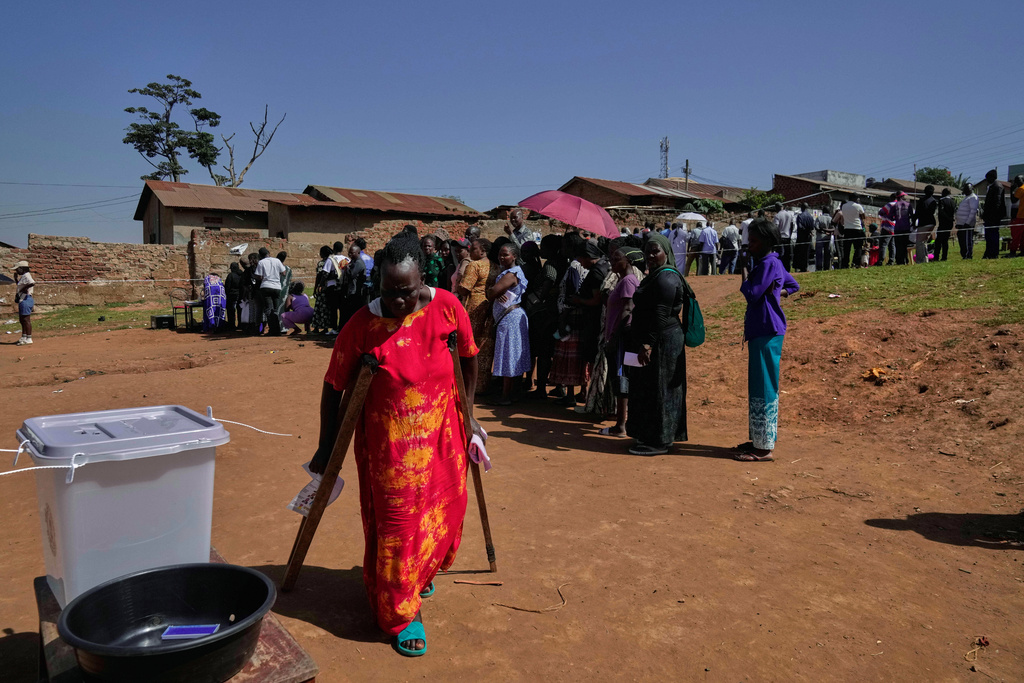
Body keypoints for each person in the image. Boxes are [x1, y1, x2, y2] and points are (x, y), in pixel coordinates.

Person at [311, 233, 480, 658]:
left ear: (422, 278)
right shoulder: (362, 325)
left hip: (443, 431)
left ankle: (417, 572)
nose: (397, 302)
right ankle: (402, 612)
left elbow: (470, 358)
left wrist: (470, 413)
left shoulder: (447, 307)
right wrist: (324, 445)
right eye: (388, 292)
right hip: (391, 448)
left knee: (448, 510)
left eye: (405, 292)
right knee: (398, 528)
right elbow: (333, 388)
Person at [734, 217, 800, 462]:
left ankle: (764, 448)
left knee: (765, 386)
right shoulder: (773, 263)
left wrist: (743, 270)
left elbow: (751, 294)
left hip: (766, 330)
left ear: (765, 242)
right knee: (759, 386)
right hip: (764, 330)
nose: (748, 245)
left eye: (753, 241)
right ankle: (759, 439)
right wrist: (776, 292)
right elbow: (793, 286)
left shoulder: (766, 265)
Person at [625, 233, 691, 456]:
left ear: (666, 252)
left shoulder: (666, 278)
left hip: (662, 341)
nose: (651, 255)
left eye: (656, 251)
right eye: (648, 251)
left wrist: (648, 343)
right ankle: (653, 435)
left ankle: (659, 441)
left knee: (660, 389)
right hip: (657, 340)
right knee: (652, 388)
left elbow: (661, 314)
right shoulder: (656, 275)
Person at [598, 247, 641, 436]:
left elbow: (627, 310)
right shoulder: (624, 280)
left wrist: (614, 338)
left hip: (622, 338)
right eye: (611, 259)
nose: (612, 262)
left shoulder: (628, 282)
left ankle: (621, 425)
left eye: (617, 259)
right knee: (621, 378)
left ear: (628, 261)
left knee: (621, 378)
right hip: (620, 336)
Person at [549, 232, 590, 406]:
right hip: (580, 315)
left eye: (565, 245)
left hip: (570, 315)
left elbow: (572, 293)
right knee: (579, 353)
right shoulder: (581, 264)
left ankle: (570, 394)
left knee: (569, 354)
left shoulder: (574, 265)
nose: (562, 249)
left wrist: (564, 314)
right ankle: (582, 391)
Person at [487, 242, 530, 405]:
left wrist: (493, 292)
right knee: (512, 354)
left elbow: (492, 293)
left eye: (506, 255)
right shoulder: (513, 272)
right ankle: (513, 393)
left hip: (510, 318)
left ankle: (506, 396)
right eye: (500, 254)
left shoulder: (511, 274)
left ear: (515, 256)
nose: (502, 257)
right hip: (512, 317)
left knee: (508, 356)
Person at [526, 235, 562, 399]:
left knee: (543, 351)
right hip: (552, 312)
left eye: (545, 247)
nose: (541, 250)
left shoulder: (550, 265)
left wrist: (534, 299)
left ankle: (540, 388)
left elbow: (549, 280)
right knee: (547, 351)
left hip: (545, 314)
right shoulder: (561, 262)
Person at [458, 238, 494, 393]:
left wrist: (459, 284)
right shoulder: (495, 266)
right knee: (484, 345)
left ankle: (468, 386)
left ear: (483, 251)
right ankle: (482, 384)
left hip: (474, 307)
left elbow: (464, 289)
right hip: (489, 306)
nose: (471, 252)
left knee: (469, 345)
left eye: (473, 249)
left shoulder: (474, 265)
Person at [255, 247, 287, 336]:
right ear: (269, 253)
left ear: (260, 256)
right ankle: (277, 329)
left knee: (269, 309)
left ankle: (273, 330)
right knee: (275, 309)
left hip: (266, 286)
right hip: (277, 287)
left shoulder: (261, 262)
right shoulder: (277, 261)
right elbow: (284, 272)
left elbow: (259, 276)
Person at [339, 244, 367, 330]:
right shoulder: (353, 262)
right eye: (349, 253)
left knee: (353, 312)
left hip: (355, 292)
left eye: (352, 253)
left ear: (358, 253)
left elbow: (352, 274)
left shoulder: (358, 263)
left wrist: (347, 268)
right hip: (350, 290)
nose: (350, 255)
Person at [981, 169, 1006, 259]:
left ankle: (993, 253)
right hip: (989, 215)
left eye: (988, 178)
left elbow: (997, 202)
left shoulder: (997, 186)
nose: (987, 180)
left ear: (992, 177)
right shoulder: (992, 186)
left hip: (994, 216)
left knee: (993, 235)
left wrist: (993, 215)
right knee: (988, 235)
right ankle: (988, 252)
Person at [839, 195, 866, 269]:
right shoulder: (858, 206)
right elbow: (863, 217)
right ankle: (856, 263)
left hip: (847, 229)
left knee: (846, 248)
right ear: (855, 198)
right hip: (857, 228)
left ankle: (845, 264)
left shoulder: (844, 206)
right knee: (858, 248)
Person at [311, 245, 334, 334]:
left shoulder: (321, 263)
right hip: (329, 287)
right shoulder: (332, 261)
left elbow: (319, 276)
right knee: (327, 309)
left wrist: (316, 288)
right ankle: (325, 328)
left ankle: (316, 327)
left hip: (322, 288)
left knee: (319, 308)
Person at [914, 185, 937, 264]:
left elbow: (917, 213)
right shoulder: (934, 201)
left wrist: (913, 222)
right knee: (924, 241)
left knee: (919, 242)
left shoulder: (922, 200)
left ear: (924, 191)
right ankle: (925, 258)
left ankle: (920, 260)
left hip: (924, 223)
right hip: (932, 223)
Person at [955, 184, 980, 259]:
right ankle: (964, 254)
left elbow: (973, 211)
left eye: (967, 189)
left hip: (967, 224)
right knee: (961, 240)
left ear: (971, 189)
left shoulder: (973, 197)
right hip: (961, 223)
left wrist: (968, 222)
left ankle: (968, 255)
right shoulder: (967, 198)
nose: (965, 190)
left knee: (967, 240)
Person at [12, 261, 34, 346]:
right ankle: (24, 336)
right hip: (22, 299)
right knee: (22, 319)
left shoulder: (27, 275)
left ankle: (29, 338)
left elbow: (32, 283)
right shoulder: (23, 276)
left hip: (26, 299)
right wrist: (16, 279)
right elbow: (20, 285)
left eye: (17, 269)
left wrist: (23, 289)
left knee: (26, 320)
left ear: (22, 268)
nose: (17, 271)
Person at [892, 192, 914, 265]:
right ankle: (906, 260)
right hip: (906, 227)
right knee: (905, 245)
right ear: (902, 196)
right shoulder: (908, 205)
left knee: (898, 246)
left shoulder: (894, 205)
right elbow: (912, 215)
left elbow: (891, 217)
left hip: (898, 228)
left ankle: (899, 261)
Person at [935, 188, 957, 261]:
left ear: (944, 193)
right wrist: (951, 218)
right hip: (949, 224)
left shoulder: (942, 201)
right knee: (945, 241)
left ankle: (936, 256)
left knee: (938, 241)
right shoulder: (952, 201)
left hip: (943, 223)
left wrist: (947, 218)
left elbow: (941, 211)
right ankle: (944, 257)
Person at [772, 203, 795, 271]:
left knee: (780, 254)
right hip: (788, 237)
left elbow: (776, 227)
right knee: (787, 254)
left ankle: (781, 269)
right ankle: (787, 269)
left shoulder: (777, 216)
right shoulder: (789, 214)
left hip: (780, 237)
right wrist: (790, 234)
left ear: (776, 208)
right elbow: (792, 225)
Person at [877, 194, 897, 266]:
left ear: (891, 198)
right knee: (892, 245)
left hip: (887, 226)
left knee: (883, 244)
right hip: (895, 227)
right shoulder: (900, 205)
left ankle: (880, 261)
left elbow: (881, 212)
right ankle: (891, 260)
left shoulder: (890, 204)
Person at [224, 262, 243, 330]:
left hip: (232, 295)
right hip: (241, 295)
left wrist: (227, 294)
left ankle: (232, 325)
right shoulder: (242, 274)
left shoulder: (231, 275)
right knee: (240, 310)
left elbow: (227, 286)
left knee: (231, 311)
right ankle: (241, 324)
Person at [1009, 175, 1024, 257]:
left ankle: (1013, 251)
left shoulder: (1021, 189)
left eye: (1018, 180)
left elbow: (1014, 200)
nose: (1017, 183)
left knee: (1016, 235)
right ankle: (1023, 250)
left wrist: (1011, 190)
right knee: (1023, 236)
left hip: (1021, 215)